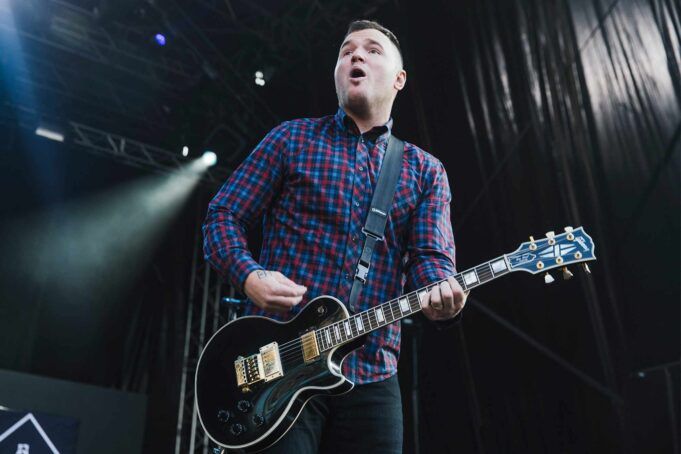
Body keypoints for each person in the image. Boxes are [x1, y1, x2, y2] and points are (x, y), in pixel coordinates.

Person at [203, 19, 467, 454]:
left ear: (399, 79)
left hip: (371, 373)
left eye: (372, 50)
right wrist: (249, 275)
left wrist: (443, 297)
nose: (355, 55)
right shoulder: (292, 139)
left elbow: (430, 261)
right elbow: (223, 215)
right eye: (346, 51)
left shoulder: (425, 171)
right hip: (278, 365)